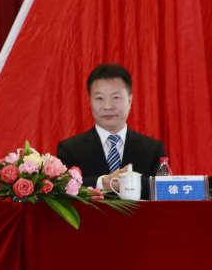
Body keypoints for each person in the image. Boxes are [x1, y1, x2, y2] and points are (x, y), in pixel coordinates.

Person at [57, 63, 165, 199]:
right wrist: (102, 183)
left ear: (130, 100)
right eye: (99, 98)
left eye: (116, 97)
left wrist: (126, 183)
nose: (107, 106)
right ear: (89, 101)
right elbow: (62, 188)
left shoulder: (153, 149)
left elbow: (161, 191)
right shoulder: (70, 149)